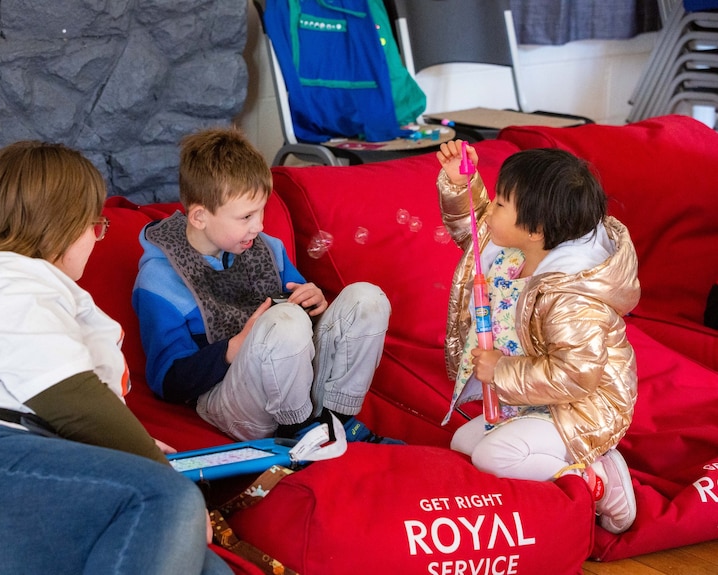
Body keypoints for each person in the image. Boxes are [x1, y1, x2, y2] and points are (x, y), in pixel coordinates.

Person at [0, 141, 231, 575]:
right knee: (164, 497)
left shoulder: (28, 284)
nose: (97, 237)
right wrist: (149, 461)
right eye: (96, 224)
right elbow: (68, 397)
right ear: (64, 223)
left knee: (204, 567)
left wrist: (123, 451)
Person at [133, 127, 399, 445]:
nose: (258, 226)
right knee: (283, 321)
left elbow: (302, 323)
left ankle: (337, 421)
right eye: (245, 216)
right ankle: (299, 433)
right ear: (200, 217)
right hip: (229, 399)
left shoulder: (268, 248)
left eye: (262, 211)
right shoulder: (160, 280)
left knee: (366, 298)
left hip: (293, 384)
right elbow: (168, 382)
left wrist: (314, 301)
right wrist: (235, 346)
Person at [436, 140, 641, 534]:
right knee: (464, 444)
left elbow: (577, 375)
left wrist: (502, 370)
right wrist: (461, 184)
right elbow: (478, 230)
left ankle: (599, 477)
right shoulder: (515, 250)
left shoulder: (571, 296)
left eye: (499, 202)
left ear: (535, 229)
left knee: (494, 457)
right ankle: (555, 473)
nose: (490, 210)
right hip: (531, 401)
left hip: (581, 406)